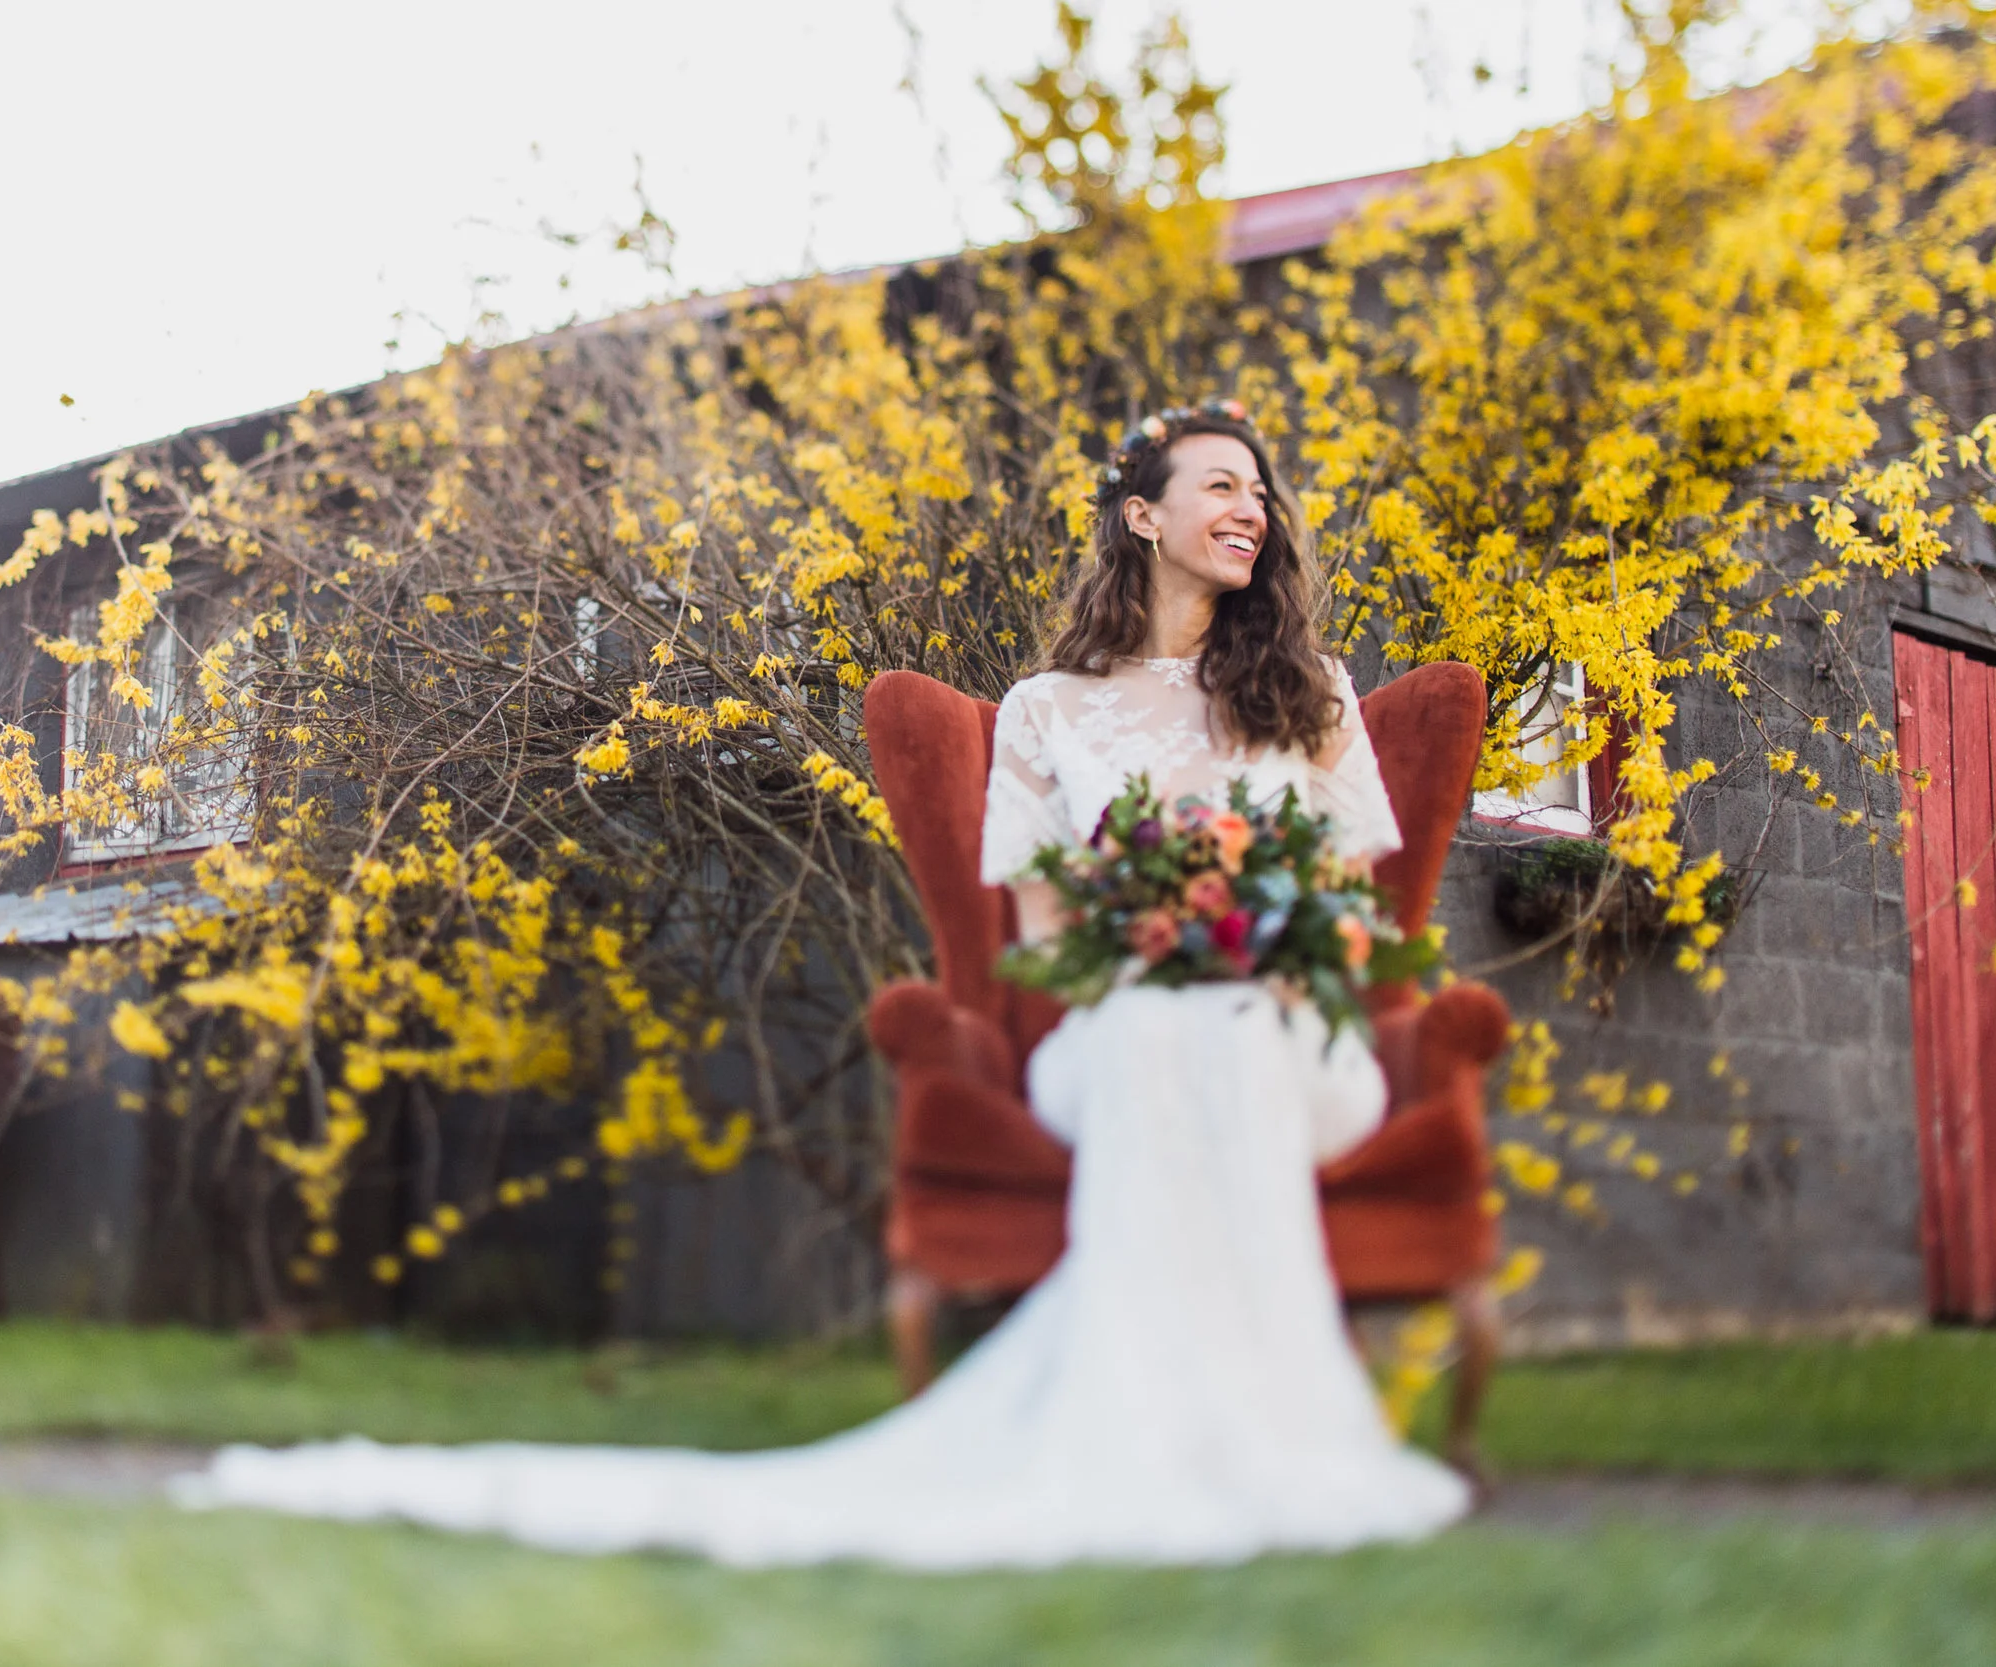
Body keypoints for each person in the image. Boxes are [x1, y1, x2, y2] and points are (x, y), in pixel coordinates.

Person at [173, 403, 1470, 1569]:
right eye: (1222, 485)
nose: (1252, 509)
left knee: (1232, 1027)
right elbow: (1041, 930)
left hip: (1297, 1034)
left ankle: (1257, 1426)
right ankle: (1149, 1430)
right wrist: (1166, 928)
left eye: (1260, 492)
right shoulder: (1044, 710)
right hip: (1111, 1033)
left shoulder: (1313, 695)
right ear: (1144, 515)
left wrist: (1252, 946)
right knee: (1167, 1032)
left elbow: (1355, 910)